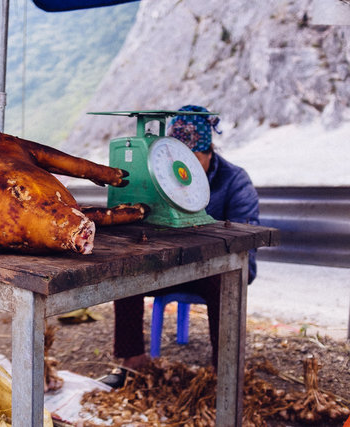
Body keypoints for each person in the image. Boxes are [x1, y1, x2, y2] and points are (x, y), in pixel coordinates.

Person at [101, 105, 260, 388]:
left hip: (217, 269)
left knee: (224, 279)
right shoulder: (160, 177)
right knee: (126, 275)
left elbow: (244, 241)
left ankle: (223, 370)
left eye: (191, 159)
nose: (182, 169)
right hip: (172, 265)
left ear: (209, 151)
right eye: (177, 160)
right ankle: (132, 362)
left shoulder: (236, 181)